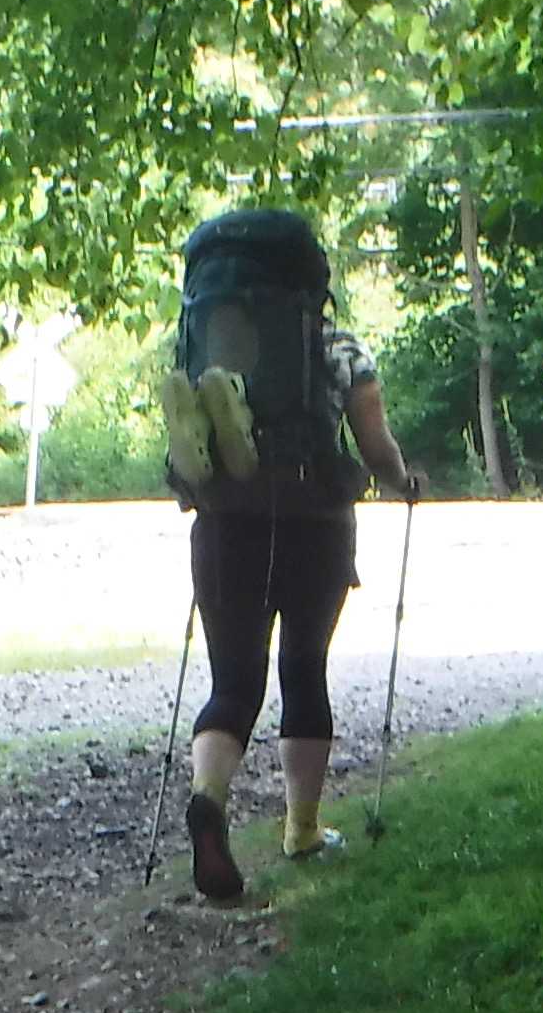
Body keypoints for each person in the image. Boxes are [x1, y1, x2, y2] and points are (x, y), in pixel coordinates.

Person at [166, 209, 420, 902]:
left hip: (224, 522)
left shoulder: (198, 339)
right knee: (304, 670)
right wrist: (404, 480)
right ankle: (302, 829)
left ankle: (209, 799)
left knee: (233, 682)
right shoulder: (339, 347)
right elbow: (374, 445)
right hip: (315, 520)